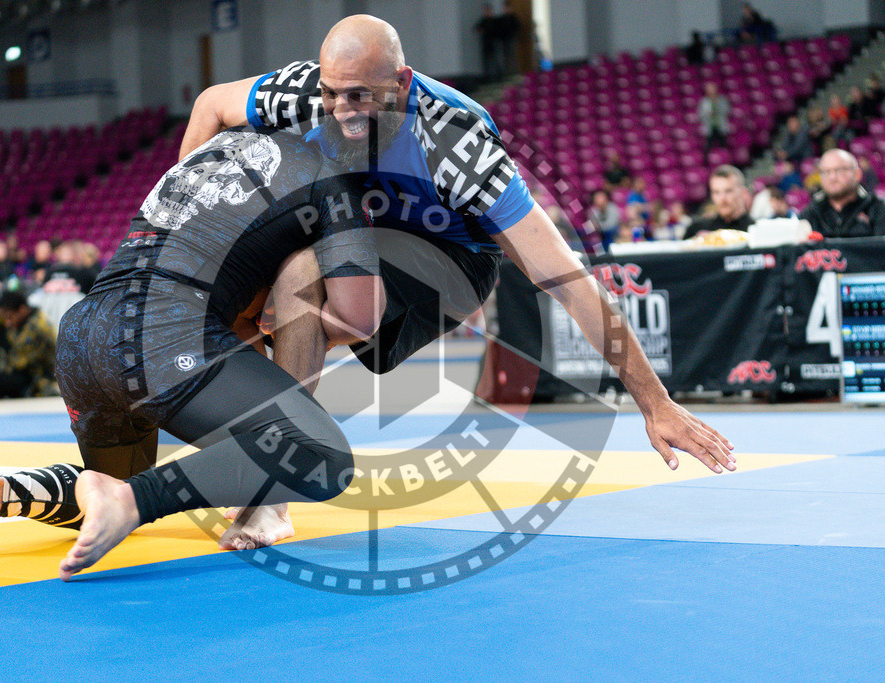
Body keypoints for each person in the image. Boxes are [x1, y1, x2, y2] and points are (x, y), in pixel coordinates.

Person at [181, 16, 734, 538]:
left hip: (448, 258)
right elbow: (209, 104)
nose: (341, 111)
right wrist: (180, 226)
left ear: (400, 83)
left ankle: (273, 487)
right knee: (233, 303)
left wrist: (654, 402)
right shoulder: (303, 94)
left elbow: (567, 278)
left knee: (300, 286)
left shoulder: (457, 144)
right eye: (331, 94)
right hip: (358, 225)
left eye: (359, 97)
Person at [0, 126, 387, 577]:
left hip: (84, 334)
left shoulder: (217, 150)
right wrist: (296, 312)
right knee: (321, 458)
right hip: (161, 330)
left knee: (106, 482)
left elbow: (213, 101)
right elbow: (360, 319)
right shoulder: (334, 181)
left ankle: (0, 494)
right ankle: (136, 501)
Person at [800, 149, 885, 238]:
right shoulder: (810, 214)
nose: (832, 177)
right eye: (826, 172)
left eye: (839, 170)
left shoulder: (877, 208)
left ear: (857, 174)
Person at [683, 165, 754, 239]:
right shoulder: (696, 230)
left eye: (728, 191)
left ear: (743, 192)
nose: (722, 198)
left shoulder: (756, 231)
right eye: (716, 192)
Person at [698, 82, 730, 158]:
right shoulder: (704, 101)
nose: (711, 91)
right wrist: (707, 114)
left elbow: (727, 110)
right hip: (709, 126)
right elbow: (700, 114)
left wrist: (718, 111)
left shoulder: (722, 99)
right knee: (709, 145)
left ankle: (725, 158)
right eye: (709, 89)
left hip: (720, 125)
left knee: (723, 144)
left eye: (712, 89)